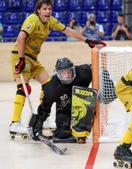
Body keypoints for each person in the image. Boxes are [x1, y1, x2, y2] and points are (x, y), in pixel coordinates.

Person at [9, 0, 106, 137]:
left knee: (48, 86)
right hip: (21, 55)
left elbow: (68, 31)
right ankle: (14, 123)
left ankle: (44, 118)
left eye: (49, 9)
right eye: (44, 9)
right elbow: (21, 38)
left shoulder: (51, 21)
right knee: (24, 87)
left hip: (33, 59)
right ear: (38, 10)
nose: (48, 11)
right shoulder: (32, 19)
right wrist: (21, 60)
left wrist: (87, 40)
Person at [29, 57, 92, 143]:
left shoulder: (83, 72)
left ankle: (82, 130)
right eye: (63, 73)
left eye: (68, 72)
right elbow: (44, 108)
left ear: (73, 70)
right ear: (58, 74)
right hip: (64, 109)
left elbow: (98, 69)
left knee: (81, 130)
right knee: (62, 134)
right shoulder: (51, 87)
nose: (66, 76)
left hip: (83, 106)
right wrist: (38, 124)